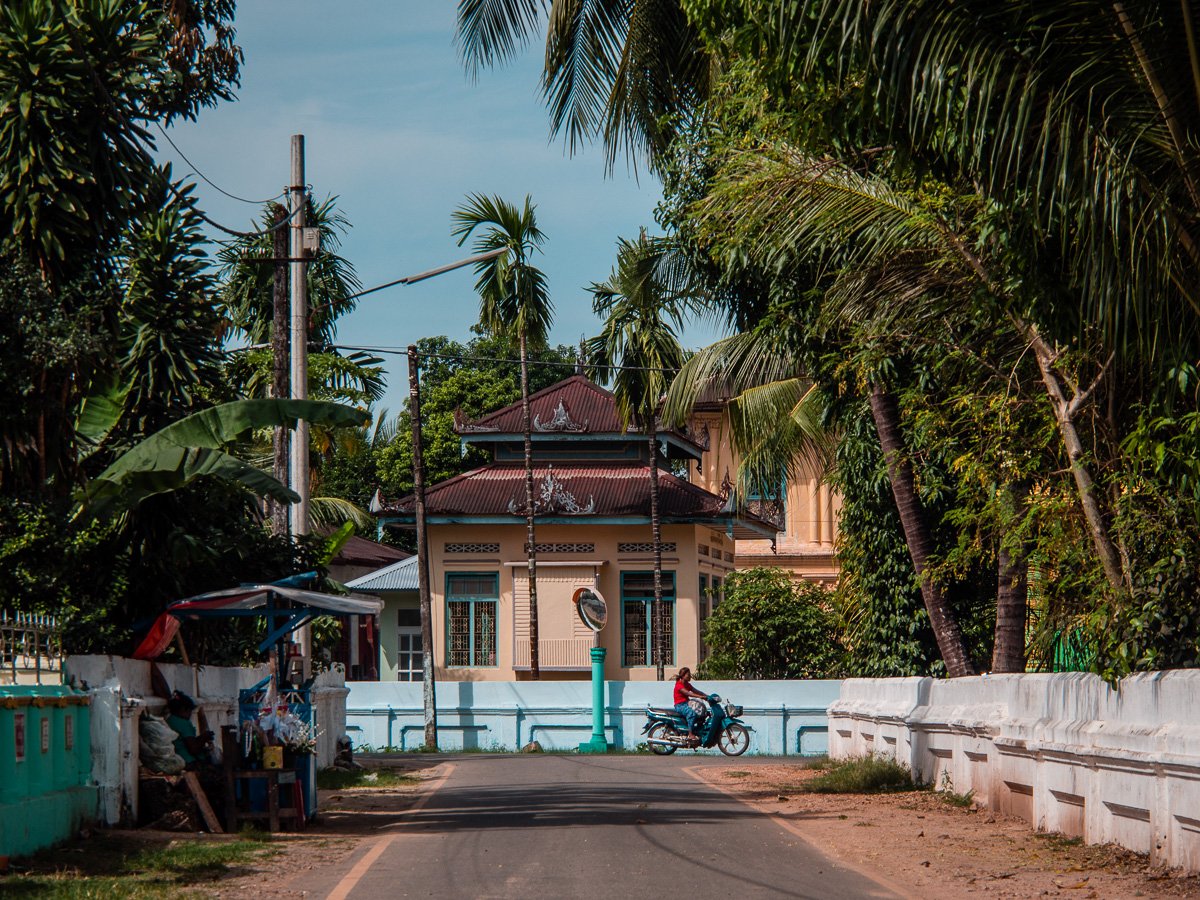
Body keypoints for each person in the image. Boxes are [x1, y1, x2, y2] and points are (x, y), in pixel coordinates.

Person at [165, 691, 213, 770]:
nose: (190, 714)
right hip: (187, 761)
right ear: (183, 709)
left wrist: (201, 737)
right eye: (190, 711)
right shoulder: (184, 723)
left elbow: (186, 740)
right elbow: (193, 749)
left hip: (175, 758)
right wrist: (204, 738)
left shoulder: (170, 720)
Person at [672, 667, 710, 744]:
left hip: (687, 703)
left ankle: (698, 731)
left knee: (702, 711)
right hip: (680, 706)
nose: (690, 676)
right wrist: (701, 697)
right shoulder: (679, 685)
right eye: (688, 675)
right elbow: (688, 693)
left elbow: (696, 691)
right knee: (691, 713)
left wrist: (708, 696)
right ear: (683, 676)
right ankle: (690, 733)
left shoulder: (687, 684)